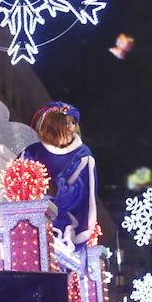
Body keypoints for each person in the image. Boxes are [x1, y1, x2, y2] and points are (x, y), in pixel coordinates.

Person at [17, 102, 97, 249]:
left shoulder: (82, 156)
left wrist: (57, 190)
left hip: (65, 223)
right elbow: (17, 185)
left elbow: (82, 195)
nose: (71, 128)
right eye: (66, 124)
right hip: (30, 221)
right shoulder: (31, 152)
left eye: (73, 123)